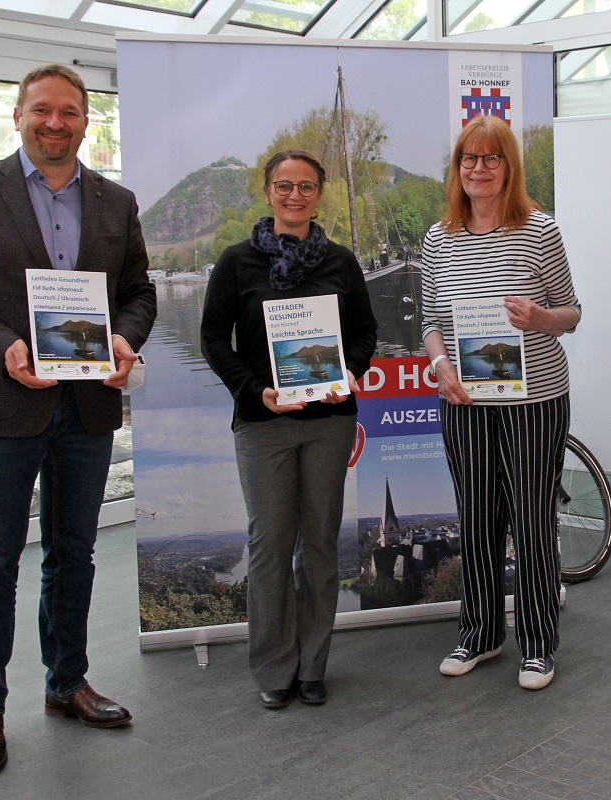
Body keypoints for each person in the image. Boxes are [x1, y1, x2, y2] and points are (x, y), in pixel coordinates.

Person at [0, 64, 156, 772]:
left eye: (71, 113)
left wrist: (124, 338)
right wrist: (3, 346)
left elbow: (138, 292)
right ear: (19, 114)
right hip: (2, 401)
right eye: (42, 111)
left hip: (85, 407)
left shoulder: (115, 202)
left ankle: (67, 683)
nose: (56, 123)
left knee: (73, 555)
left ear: (88, 121)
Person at [200, 149, 377, 710]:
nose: (294, 195)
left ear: (319, 193)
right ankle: (275, 667)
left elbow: (366, 334)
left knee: (320, 545)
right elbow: (212, 341)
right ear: (268, 190)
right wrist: (254, 391)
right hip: (263, 423)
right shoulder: (236, 262)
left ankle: (313, 666)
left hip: (328, 422)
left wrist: (351, 370)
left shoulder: (343, 263)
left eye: (305, 186)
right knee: (272, 545)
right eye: (284, 185)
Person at [423, 114, 581, 691]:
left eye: (491, 159)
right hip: (464, 399)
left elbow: (571, 311)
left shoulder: (540, 231)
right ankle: (481, 632)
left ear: (508, 167)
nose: (479, 168)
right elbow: (431, 322)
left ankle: (538, 642)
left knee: (533, 518)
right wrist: (442, 368)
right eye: (469, 158)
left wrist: (539, 318)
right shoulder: (437, 238)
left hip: (535, 398)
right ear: (457, 169)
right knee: (478, 515)